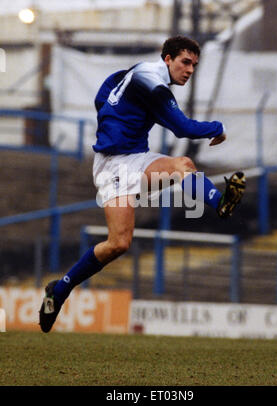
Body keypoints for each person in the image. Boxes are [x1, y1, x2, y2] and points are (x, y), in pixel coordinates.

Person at [39, 36, 246, 333]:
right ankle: (58, 291)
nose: (189, 70)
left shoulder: (144, 76)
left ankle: (222, 203)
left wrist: (115, 118)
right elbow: (182, 127)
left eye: (194, 65)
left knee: (181, 166)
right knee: (118, 243)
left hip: (135, 158)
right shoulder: (151, 80)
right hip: (113, 165)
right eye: (185, 62)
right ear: (167, 59)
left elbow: (105, 92)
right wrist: (219, 128)